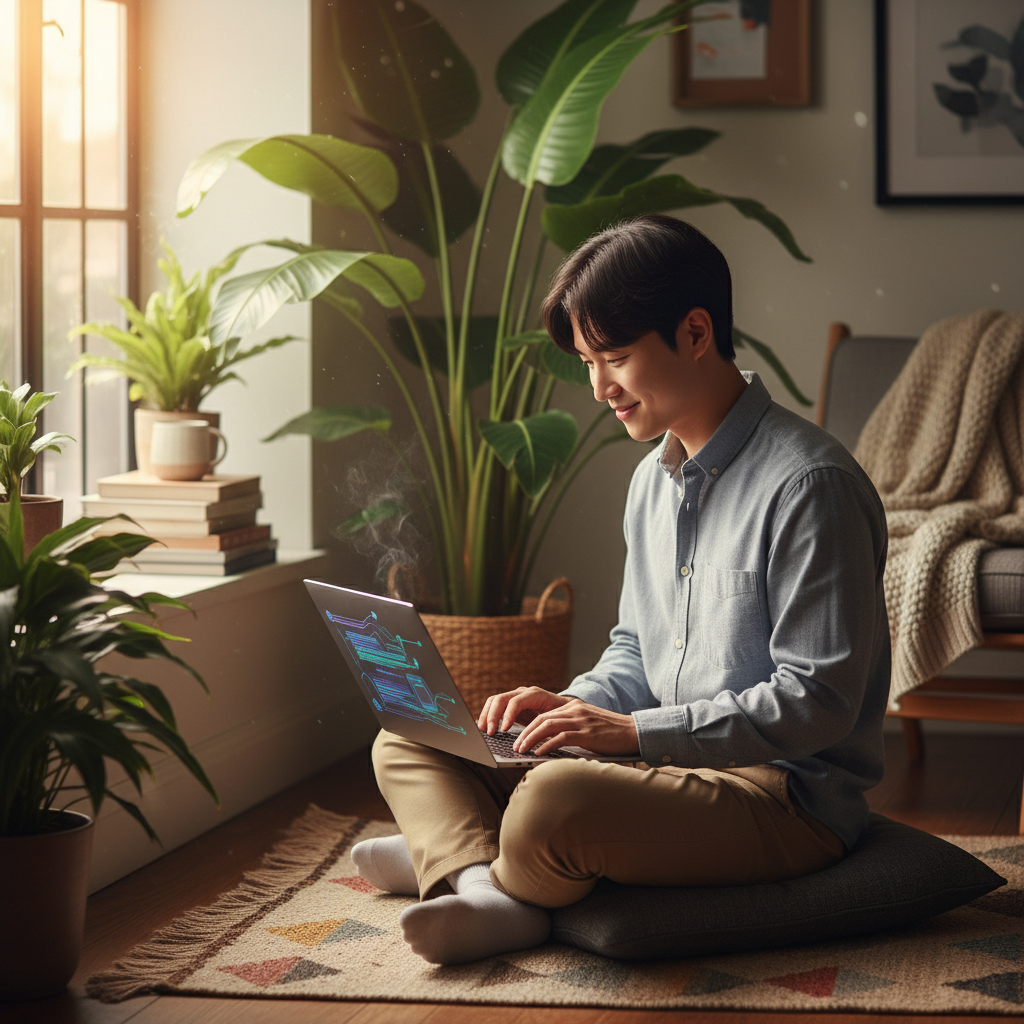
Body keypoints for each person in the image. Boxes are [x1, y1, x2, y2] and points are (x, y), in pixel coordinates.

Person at [352, 214, 890, 966]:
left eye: (614, 357)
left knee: (552, 802)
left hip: (780, 800)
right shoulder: (650, 482)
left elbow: (817, 702)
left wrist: (630, 736)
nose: (599, 387)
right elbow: (638, 649)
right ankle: (485, 882)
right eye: (586, 360)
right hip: (659, 772)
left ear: (696, 333)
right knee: (411, 733)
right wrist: (569, 708)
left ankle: (457, 854)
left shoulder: (810, 485)